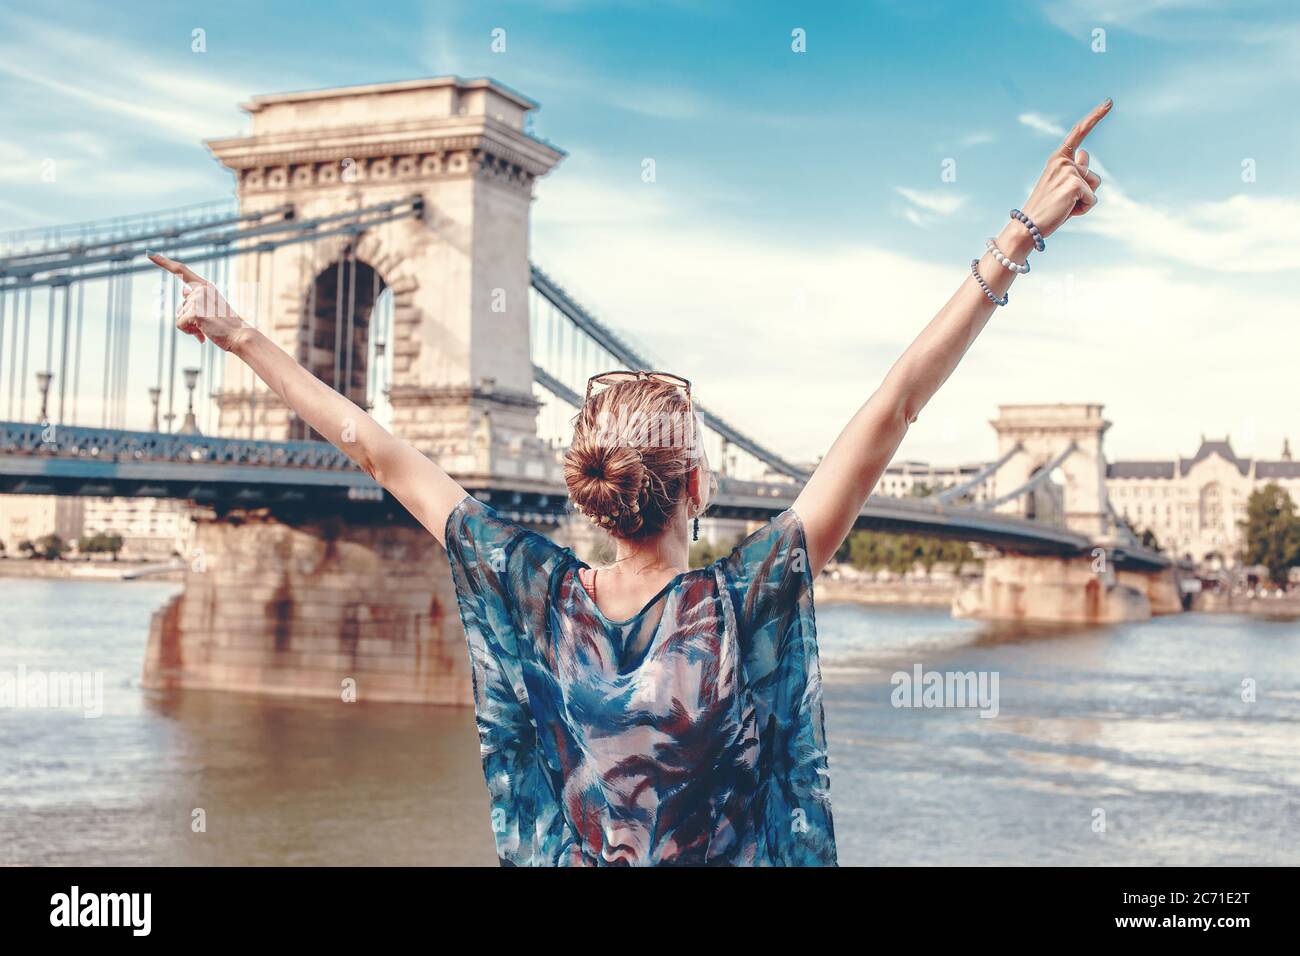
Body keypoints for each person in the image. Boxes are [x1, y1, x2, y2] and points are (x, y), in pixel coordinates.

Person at [149, 98, 1112, 866]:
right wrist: (1023, 231)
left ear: (592, 493)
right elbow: (895, 406)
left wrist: (239, 334)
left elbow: (375, 450)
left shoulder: (536, 595)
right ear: (697, 485)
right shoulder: (742, 601)